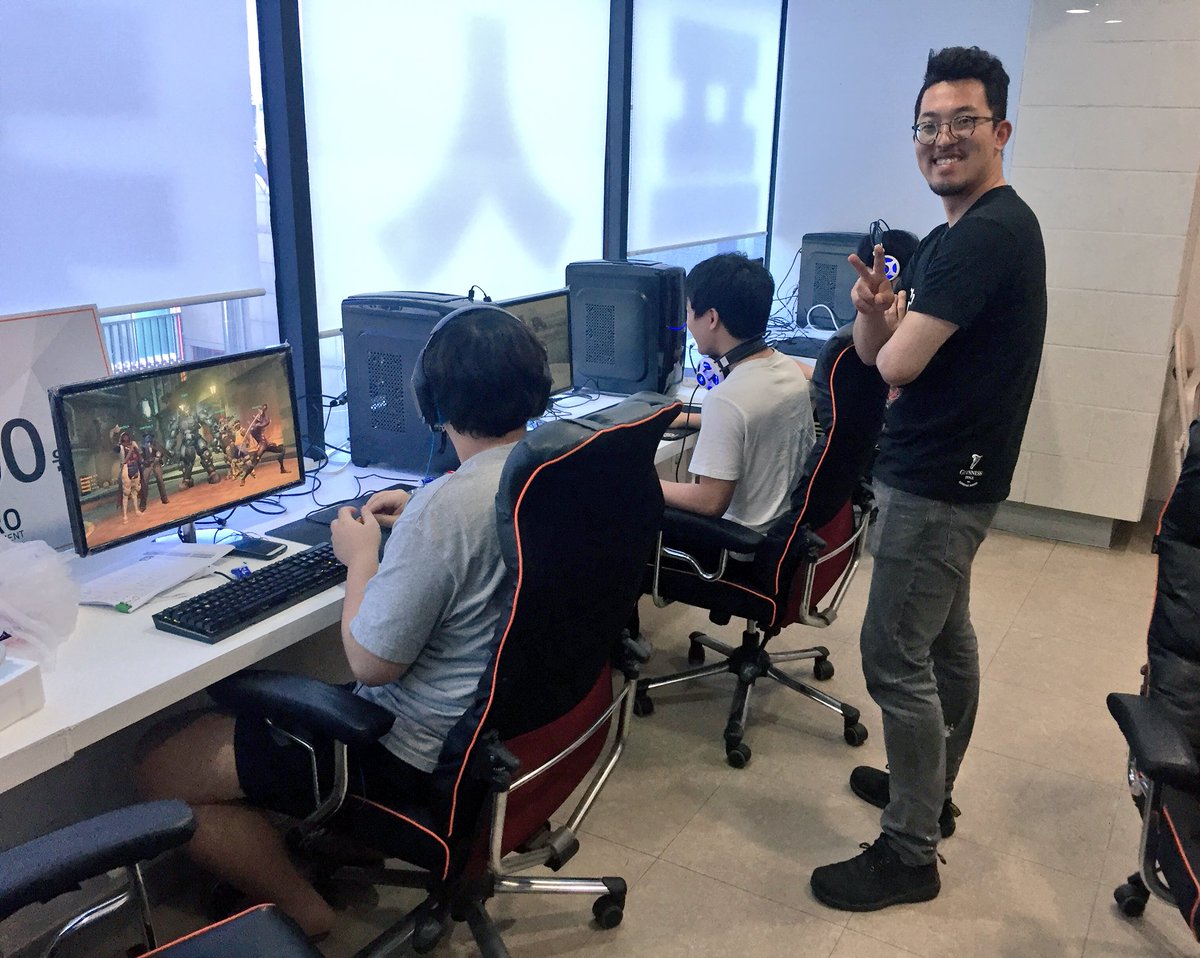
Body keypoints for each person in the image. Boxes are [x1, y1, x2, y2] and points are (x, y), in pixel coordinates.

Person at [135, 307, 553, 939]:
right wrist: (421, 514)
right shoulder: (547, 469)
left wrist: (362, 558)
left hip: (415, 753)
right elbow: (479, 535)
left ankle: (305, 912)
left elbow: (368, 663)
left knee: (155, 765)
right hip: (504, 731)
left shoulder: (447, 509)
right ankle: (340, 845)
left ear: (431, 405)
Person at [810, 46, 1046, 911]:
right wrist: (876, 311)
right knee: (944, 639)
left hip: (941, 478)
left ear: (1000, 131)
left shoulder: (985, 234)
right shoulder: (956, 235)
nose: (942, 139)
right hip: (950, 471)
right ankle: (930, 791)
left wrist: (891, 336)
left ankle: (910, 851)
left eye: (962, 122)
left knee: (893, 656)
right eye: (928, 125)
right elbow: (879, 353)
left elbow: (898, 367)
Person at [659, 252, 814, 537]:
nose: (687, 323)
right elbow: (754, 422)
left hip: (736, 544)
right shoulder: (788, 369)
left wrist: (639, 482)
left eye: (689, 312)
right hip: (782, 530)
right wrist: (689, 418)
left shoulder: (727, 400)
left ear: (712, 318)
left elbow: (709, 502)